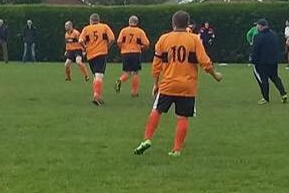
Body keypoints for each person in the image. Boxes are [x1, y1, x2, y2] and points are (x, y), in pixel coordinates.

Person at [134, 11, 223, 157]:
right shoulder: (194, 39)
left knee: (157, 110)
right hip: (187, 86)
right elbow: (205, 62)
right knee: (182, 117)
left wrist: (156, 83)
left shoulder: (164, 39)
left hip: (168, 83)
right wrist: (215, 75)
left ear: (173, 23)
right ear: (188, 24)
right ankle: (176, 150)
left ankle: (147, 139)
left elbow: (156, 64)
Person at [80, 13, 115, 105]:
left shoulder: (86, 29)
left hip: (90, 55)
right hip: (101, 53)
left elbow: (80, 40)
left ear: (91, 21)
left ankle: (97, 96)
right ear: (98, 20)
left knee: (95, 76)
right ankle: (96, 95)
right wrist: (107, 46)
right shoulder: (104, 27)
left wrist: (85, 48)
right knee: (99, 75)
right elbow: (112, 39)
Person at [251, 19, 288, 105]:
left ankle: (265, 98)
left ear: (261, 26)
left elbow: (255, 50)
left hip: (262, 62)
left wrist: (253, 60)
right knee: (275, 78)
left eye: (257, 25)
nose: (257, 27)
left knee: (263, 80)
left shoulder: (258, 36)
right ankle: (283, 94)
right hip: (273, 61)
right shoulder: (274, 35)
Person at [115, 16, 150, 97]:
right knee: (135, 72)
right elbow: (146, 43)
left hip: (125, 53)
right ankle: (134, 92)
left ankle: (119, 80)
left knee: (127, 72)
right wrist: (143, 48)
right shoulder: (139, 31)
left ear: (129, 22)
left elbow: (119, 41)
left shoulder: (124, 30)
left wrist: (123, 48)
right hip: (135, 53)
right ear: (137, 22)